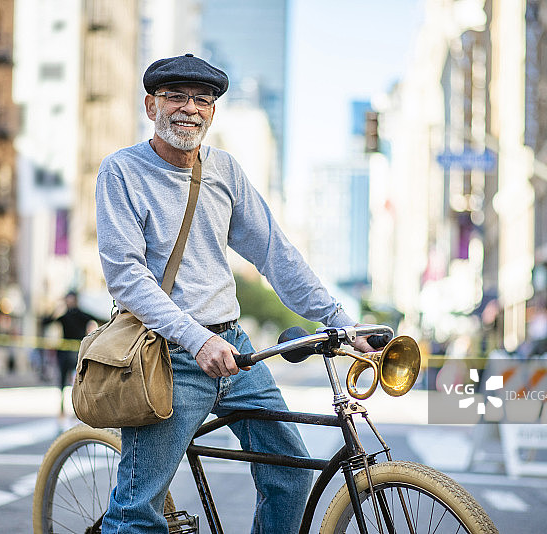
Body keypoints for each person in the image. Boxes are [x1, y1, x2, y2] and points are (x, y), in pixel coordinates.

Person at [95, 53, 375, 534]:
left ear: (213, 112)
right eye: (176, 97)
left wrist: (340, 322)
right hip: (167, 353)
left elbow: (274, 254)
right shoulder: (121, 172)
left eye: (202, 99)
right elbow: (126, 276)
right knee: (139, 510)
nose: (189, 109)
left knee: (289, 473)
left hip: (236, 349)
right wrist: (196, 340)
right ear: (151, 106)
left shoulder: (224, 170)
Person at [42, 291, 98, 413]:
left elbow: (94, 319)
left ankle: (77, 407)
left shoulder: (81, 315)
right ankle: (63, 407)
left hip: (77, 352)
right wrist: (55, 311)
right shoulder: (63, 315)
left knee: (77, 380)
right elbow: (45, 322)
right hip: (64, 352)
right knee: (63, 380)